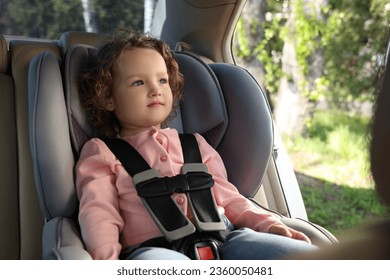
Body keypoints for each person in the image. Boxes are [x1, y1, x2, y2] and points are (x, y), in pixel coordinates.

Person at [76, 29, 317, 260]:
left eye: (162, 80)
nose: (155, 90)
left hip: (226, 237)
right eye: (138, 82)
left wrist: (268, 224)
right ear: (107, 97)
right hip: (154, 249)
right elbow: (99, 214)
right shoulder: (102, 152)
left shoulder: (195, 145)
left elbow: (230, 198)